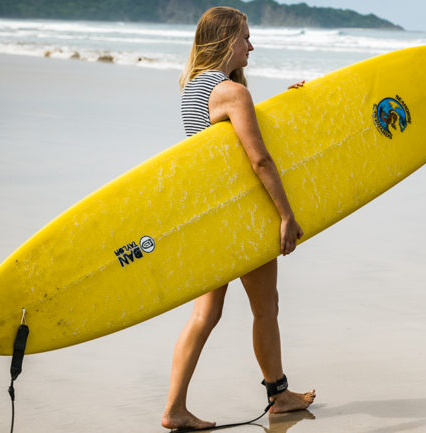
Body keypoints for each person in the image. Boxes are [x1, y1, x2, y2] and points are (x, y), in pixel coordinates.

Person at [162, 6, 315, 430]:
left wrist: (289, 106)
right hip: (241, 219)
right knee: (265, 308)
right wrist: (286, 214)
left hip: (208, 218)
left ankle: (175, 408)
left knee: (204, 315)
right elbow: (259, 159)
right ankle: (279, 394)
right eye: (246, 36)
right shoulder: (231, 91)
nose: (252, 44)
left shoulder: (195, 88)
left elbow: (228, 147)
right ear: (227, 40)